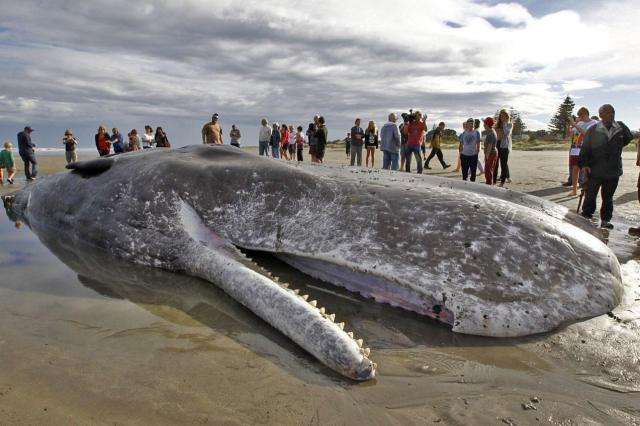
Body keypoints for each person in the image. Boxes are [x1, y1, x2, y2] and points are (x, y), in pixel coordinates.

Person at [579, 104, 633, 229]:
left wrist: (615, 148)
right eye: (607, 112)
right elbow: (585, 149)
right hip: (595, 169)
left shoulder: (621, 127)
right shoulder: (593, 129)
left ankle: (605, 220)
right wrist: (584, 165)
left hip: (613, 170)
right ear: (601, 115)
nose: (611, 114)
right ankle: (587, 215)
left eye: (613, 112)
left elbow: (628, 138)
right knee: (590, 195)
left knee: (608, 197)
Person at [567, 108, 597, 196]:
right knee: (575, 169)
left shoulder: (594, 123)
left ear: (585, 114)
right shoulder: (579, 123)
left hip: (586, 150)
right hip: (575, 149)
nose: (579, 118)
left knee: (586, 170)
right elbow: (570, 135)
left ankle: (586, 190)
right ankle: (574, 190)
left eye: (581, 116)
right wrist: (570, 125)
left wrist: (575, 125)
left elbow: (586, 134)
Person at [495, 109, 513, 187]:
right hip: (497, 144)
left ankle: (502, 181)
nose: (502, 117)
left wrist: (504, 124)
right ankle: (496, 178)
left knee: (503, 163)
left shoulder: (509, 124)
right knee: (496, 163)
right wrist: (499, 131)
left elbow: (506, 133)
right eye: (501, 115)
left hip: (504, 145)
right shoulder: (498, 124)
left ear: (507, 116)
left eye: (503, 115)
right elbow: (496, 134)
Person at [483, 117, 498, 185]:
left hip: (491, 154)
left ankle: (489, 185)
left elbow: (489, 147)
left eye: (484, 123)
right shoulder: (492, 131)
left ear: (487, 124)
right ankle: (489, 184)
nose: (483, 125)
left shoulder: (490, 134)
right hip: (493, 153)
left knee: (488, 170)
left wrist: (486, 156)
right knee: (489, 170)